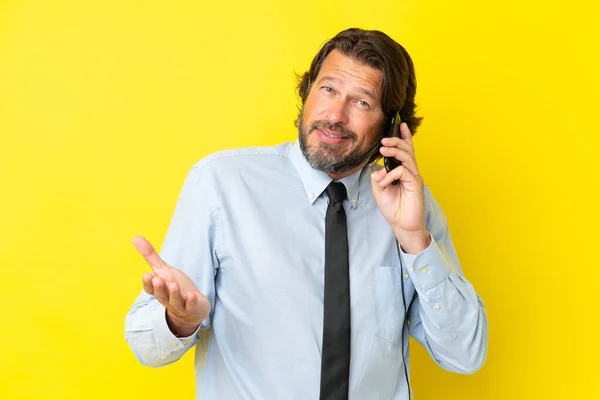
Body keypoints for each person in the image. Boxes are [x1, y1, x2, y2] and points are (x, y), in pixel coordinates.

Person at [124, 27, 488, 400]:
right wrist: (179, 321)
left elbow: (464, 355)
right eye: (328, 89)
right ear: (307, 91)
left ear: (391, 125)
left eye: (361, 102)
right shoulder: (222, 184)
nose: (335, 115)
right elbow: (146, 347)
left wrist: (414, 239)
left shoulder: (410, 205)